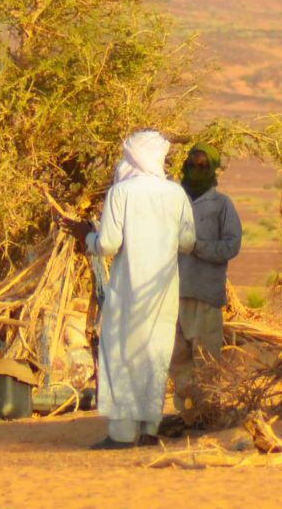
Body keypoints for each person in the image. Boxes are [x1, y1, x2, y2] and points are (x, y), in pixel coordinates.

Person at [65, 130, 196, 450]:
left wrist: (86, 237)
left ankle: (122, 433)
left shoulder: (122, 192)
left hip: (129, 289)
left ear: (134, 157)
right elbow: (188, 243)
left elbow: (108, 244)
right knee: (155, 354)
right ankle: (149, 428)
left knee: (122, 354)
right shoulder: (176, 193)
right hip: (163, 291)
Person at [170, 142, 242, 412]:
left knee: (207, 359)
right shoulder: (174, 201)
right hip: (174, 294)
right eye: (192, 164)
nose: (196, 169)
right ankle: (185, 414)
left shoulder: (222, 205)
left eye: (203, 165)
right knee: (178, 361)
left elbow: (231, 246)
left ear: (212, 168)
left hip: (206, 294)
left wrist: (197, 247)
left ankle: (207, 413)